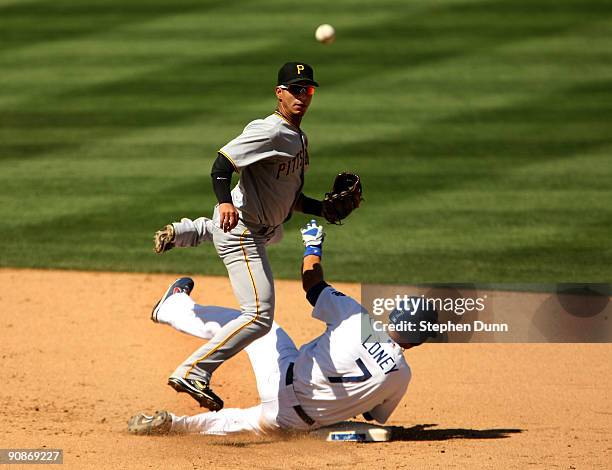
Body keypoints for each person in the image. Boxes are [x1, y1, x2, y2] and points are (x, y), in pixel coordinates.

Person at [128, 220, 437, 436]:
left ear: (395, 314)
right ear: (421, 340)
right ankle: (175, 425)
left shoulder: (361, 322)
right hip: (297, 424)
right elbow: (372, 416)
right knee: (241, 422)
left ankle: (173, 308)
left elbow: (313, 285)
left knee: (258, 324)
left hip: (280, 379)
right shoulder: (403, 376)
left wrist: (312, 245)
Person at [151, 62, 331, 411]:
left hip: (265, 228)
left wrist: (325, 209)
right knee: (260, 315)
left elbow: (290, 198)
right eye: (295, 90)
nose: (302, 97)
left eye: (307, 90)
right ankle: (194, 371)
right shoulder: (268, 131)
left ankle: (193, 229)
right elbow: (221, 164)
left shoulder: (299, 137)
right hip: (242, 233)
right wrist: (223, 202)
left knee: (275, 231)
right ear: (280, 94)